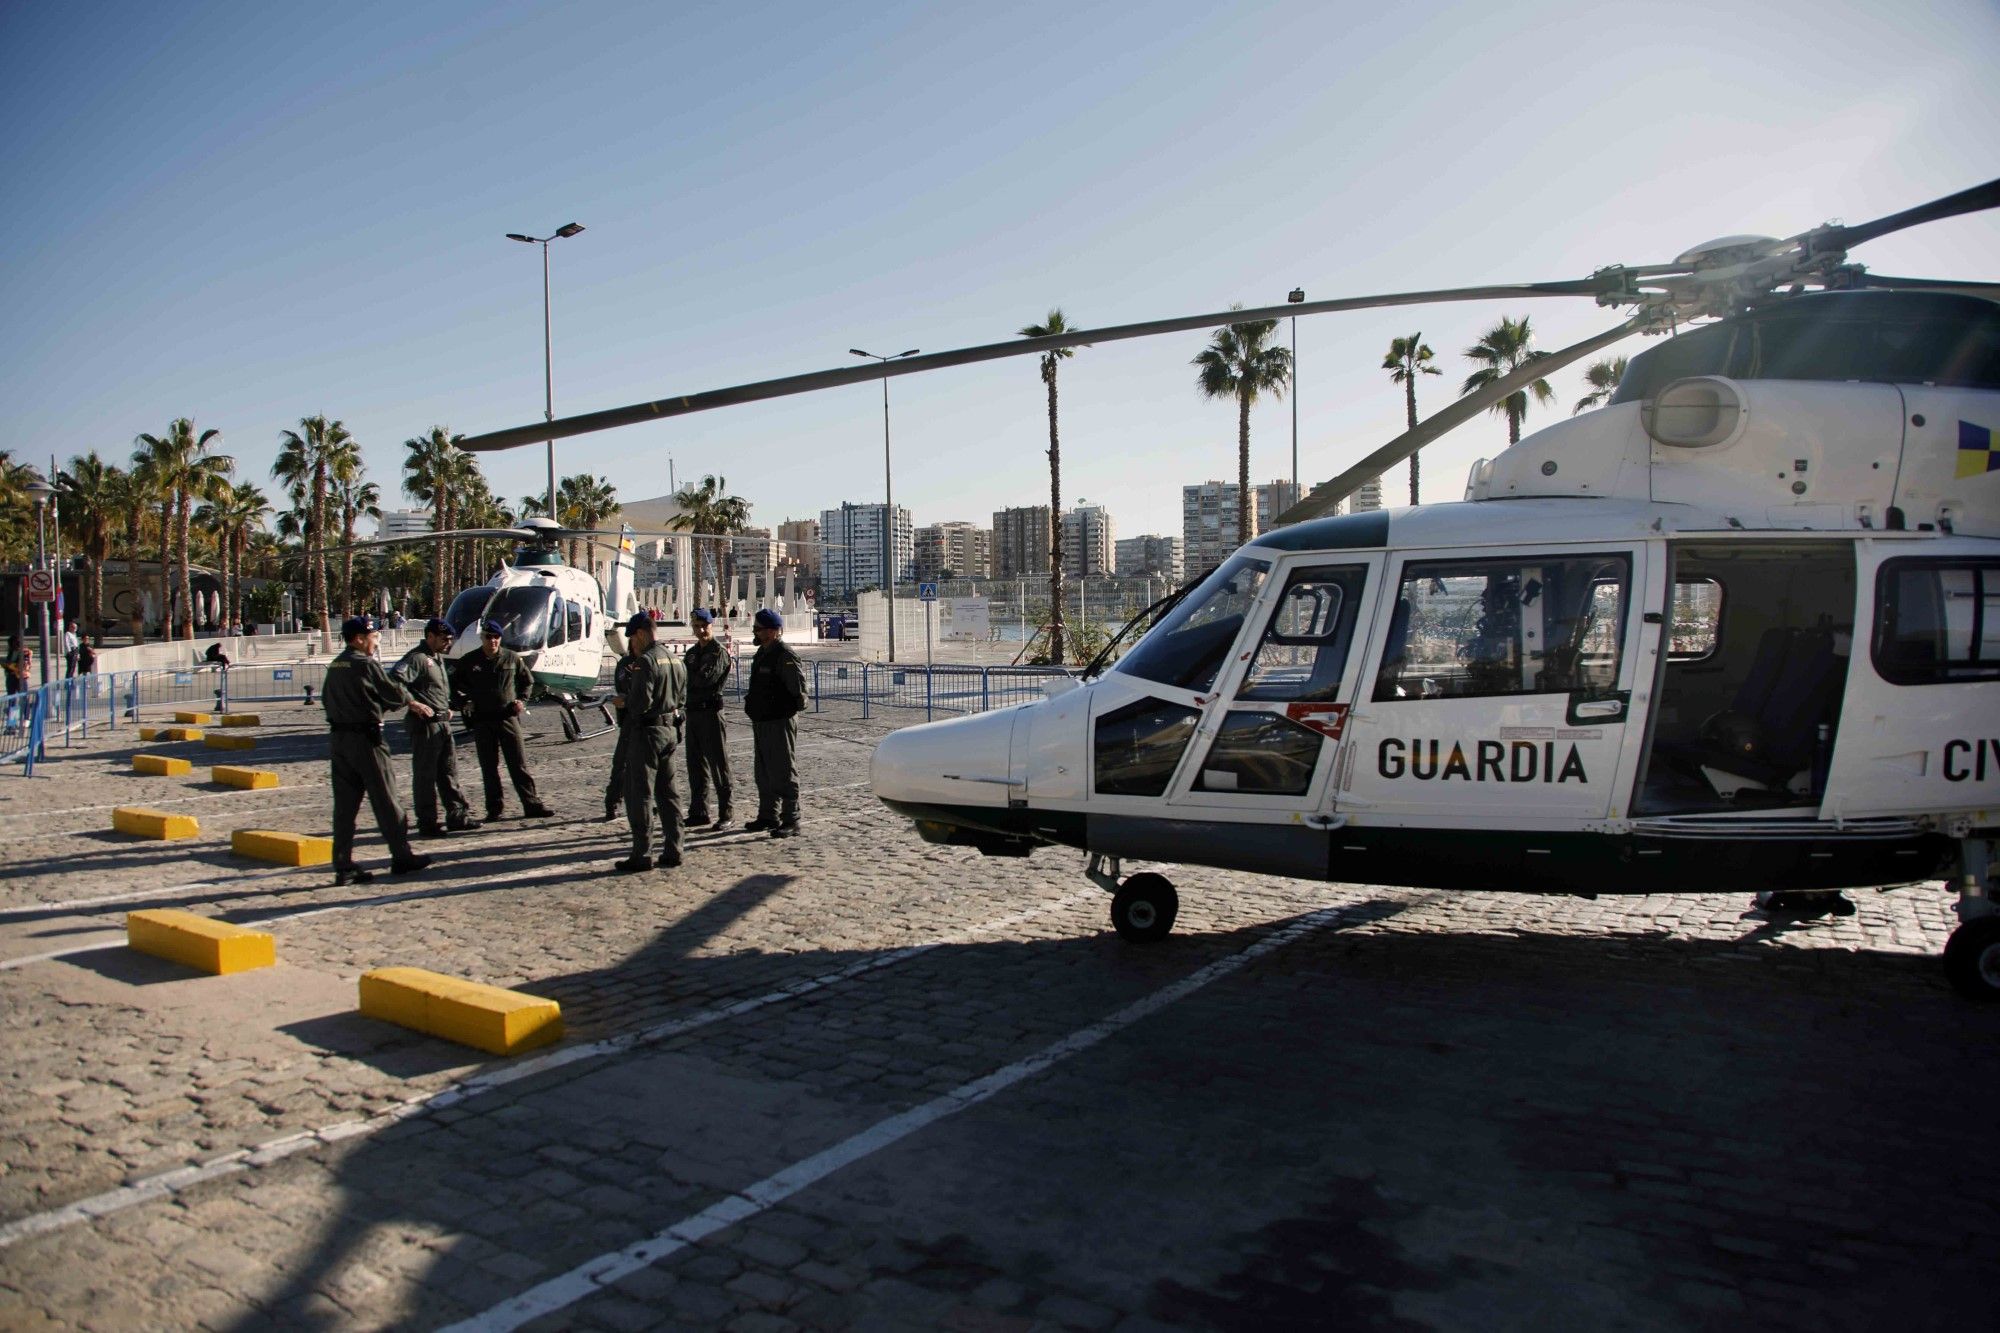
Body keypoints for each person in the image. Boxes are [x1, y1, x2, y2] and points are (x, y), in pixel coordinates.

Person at [322, 615, 432, 887]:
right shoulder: (364, 664)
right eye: (373, 637)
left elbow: (326, 700)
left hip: (339, 741)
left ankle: (343, 864)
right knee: (386, 799)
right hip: (366, 741)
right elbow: (391, 692)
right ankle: (401, 855)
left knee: (345, 808)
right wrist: (410, 702)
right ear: (359, 639)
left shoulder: (335, 665)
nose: (376, 642)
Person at [451, 618, 554, 820]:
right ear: (482, 638)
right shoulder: (470, 660)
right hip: (482, 720)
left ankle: (531, 804)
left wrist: (522, 700)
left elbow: (527, 682)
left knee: (518, 764)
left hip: (507, 718)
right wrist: (463, 702)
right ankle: (494, 808)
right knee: (489, 767)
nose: (493, 641)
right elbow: (452, 684)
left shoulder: (511, 658)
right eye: (489, 637)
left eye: (496, 637)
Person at [612, 612, 687, 873]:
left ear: (641, 633)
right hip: (669, 730)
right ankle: (674, 847)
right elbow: (681, 698)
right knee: (669, 793)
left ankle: (642, 853)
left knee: (640, 794)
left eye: (632, 639)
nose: (631, 645)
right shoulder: (674, 659)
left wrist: (624, 702)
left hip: (647, 733)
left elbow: (640, 704)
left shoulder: (646, 661)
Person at [391, 617, 479, 838]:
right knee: (425, 775)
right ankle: (427, 822)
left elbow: (438, 690)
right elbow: (394, 681)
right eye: (444, 639)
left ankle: (457, 815)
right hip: (425, 726)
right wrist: (413, 703)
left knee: (448, 772)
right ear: (429, 636)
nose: (448, 643)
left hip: (442, 724)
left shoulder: (437, 658)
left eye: (450, 639)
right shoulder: (417, 659)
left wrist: (448, 707)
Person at [743, 607, 806, 837]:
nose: (756, 633)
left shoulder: (784, 654)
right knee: (764, 771)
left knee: (783, 770)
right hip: (762, 719)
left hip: (779, 720)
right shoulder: (763, 653)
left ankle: (791, 818)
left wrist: (783, 709)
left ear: (772, 631)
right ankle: (768, 815)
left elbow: (798, 691)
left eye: (759, 629)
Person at [682, 607, 735, 828]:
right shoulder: (693, 653)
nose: (701, 630)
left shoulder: (717, 652)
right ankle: (699, 810)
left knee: (718, 764)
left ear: (711, 625)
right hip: (693, 712)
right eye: (696, 626)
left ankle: (726, 812)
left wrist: (689, 679)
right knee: (695, 765)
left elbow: (704, 680)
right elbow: (683, 679)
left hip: (711, 712)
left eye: (704, 626)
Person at [601, 640, 640, 822]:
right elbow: (624, 689)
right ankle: (613, 803)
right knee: (621, 765)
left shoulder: (651, 659)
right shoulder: (626, 664)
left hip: (650, 721)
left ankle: (647, 803)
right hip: (630, 720)